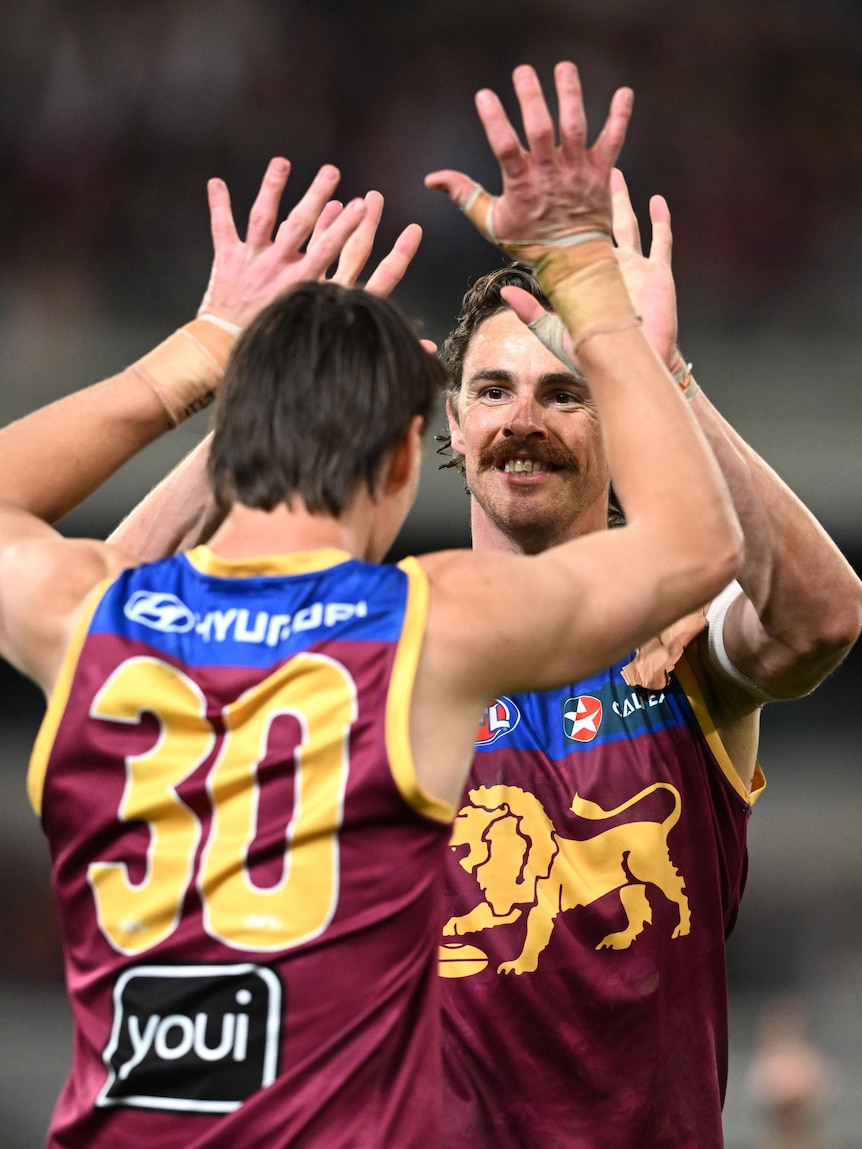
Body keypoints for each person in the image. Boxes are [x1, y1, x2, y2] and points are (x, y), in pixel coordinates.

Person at [0, 63, 743, 1149]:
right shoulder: (424, 627)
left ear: (241, 438)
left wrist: (204, 353)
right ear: (409, 457)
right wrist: (583, 275)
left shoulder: (88, 616)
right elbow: (697, 541)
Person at [418, 168, 862, 1145]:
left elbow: (822, 622)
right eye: (491, 391)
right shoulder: (399, 653)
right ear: (453, 423)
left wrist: (659, 375)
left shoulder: (681, 637)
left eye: (565, 393)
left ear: (618, 420)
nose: (520, 420)